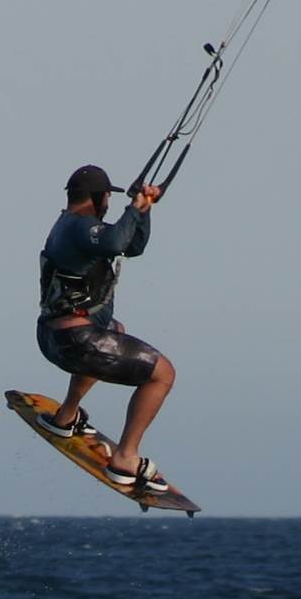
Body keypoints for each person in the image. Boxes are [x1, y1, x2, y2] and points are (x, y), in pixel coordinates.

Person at [34, 164, 176, 493]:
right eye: (106, 199)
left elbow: (132, 246)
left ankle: (66, 417)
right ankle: (126, 459)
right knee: (163, 374)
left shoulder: (71, 226)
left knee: (116, 329)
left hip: (53, 338)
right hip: (76, 342)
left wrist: (143, 210)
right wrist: (132, 207)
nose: (108, 205)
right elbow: (114, 242)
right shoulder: (80, 227)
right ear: (97, 198)